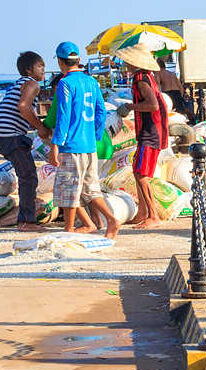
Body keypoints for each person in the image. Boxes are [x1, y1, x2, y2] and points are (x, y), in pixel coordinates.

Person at [49, 42, 119, 239]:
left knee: (67, 189)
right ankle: (110, 220)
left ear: (61, 62)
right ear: (79, 60)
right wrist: (95, 135)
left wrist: (55, 145)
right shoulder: (91, 82)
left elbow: (63, 118)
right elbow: (101, 112)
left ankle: (68, 229)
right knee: (90, 189)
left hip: (72, 146)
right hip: (89, 146)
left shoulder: (65, 83)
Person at [118, 43, 169, 229]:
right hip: (151, 130)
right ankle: (143, 212)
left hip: (151, 131)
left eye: (126, 61)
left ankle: (153, 215)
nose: (124, 63)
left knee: (142, 175)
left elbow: (153, 105)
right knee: (137, 170)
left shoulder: (141, 79)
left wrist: (130, 107)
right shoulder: (146, 76)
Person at [0, 51, 52, 231]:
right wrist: (40, 127)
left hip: (5, 135)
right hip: (12, 136)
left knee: (26, 174)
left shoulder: (17, 84)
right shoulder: (32, 84)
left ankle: (26, 219)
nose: (43, 70)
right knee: (28, 176)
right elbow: (23, 107)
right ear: (29, 70)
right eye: (40, 66)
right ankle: (26, 222)